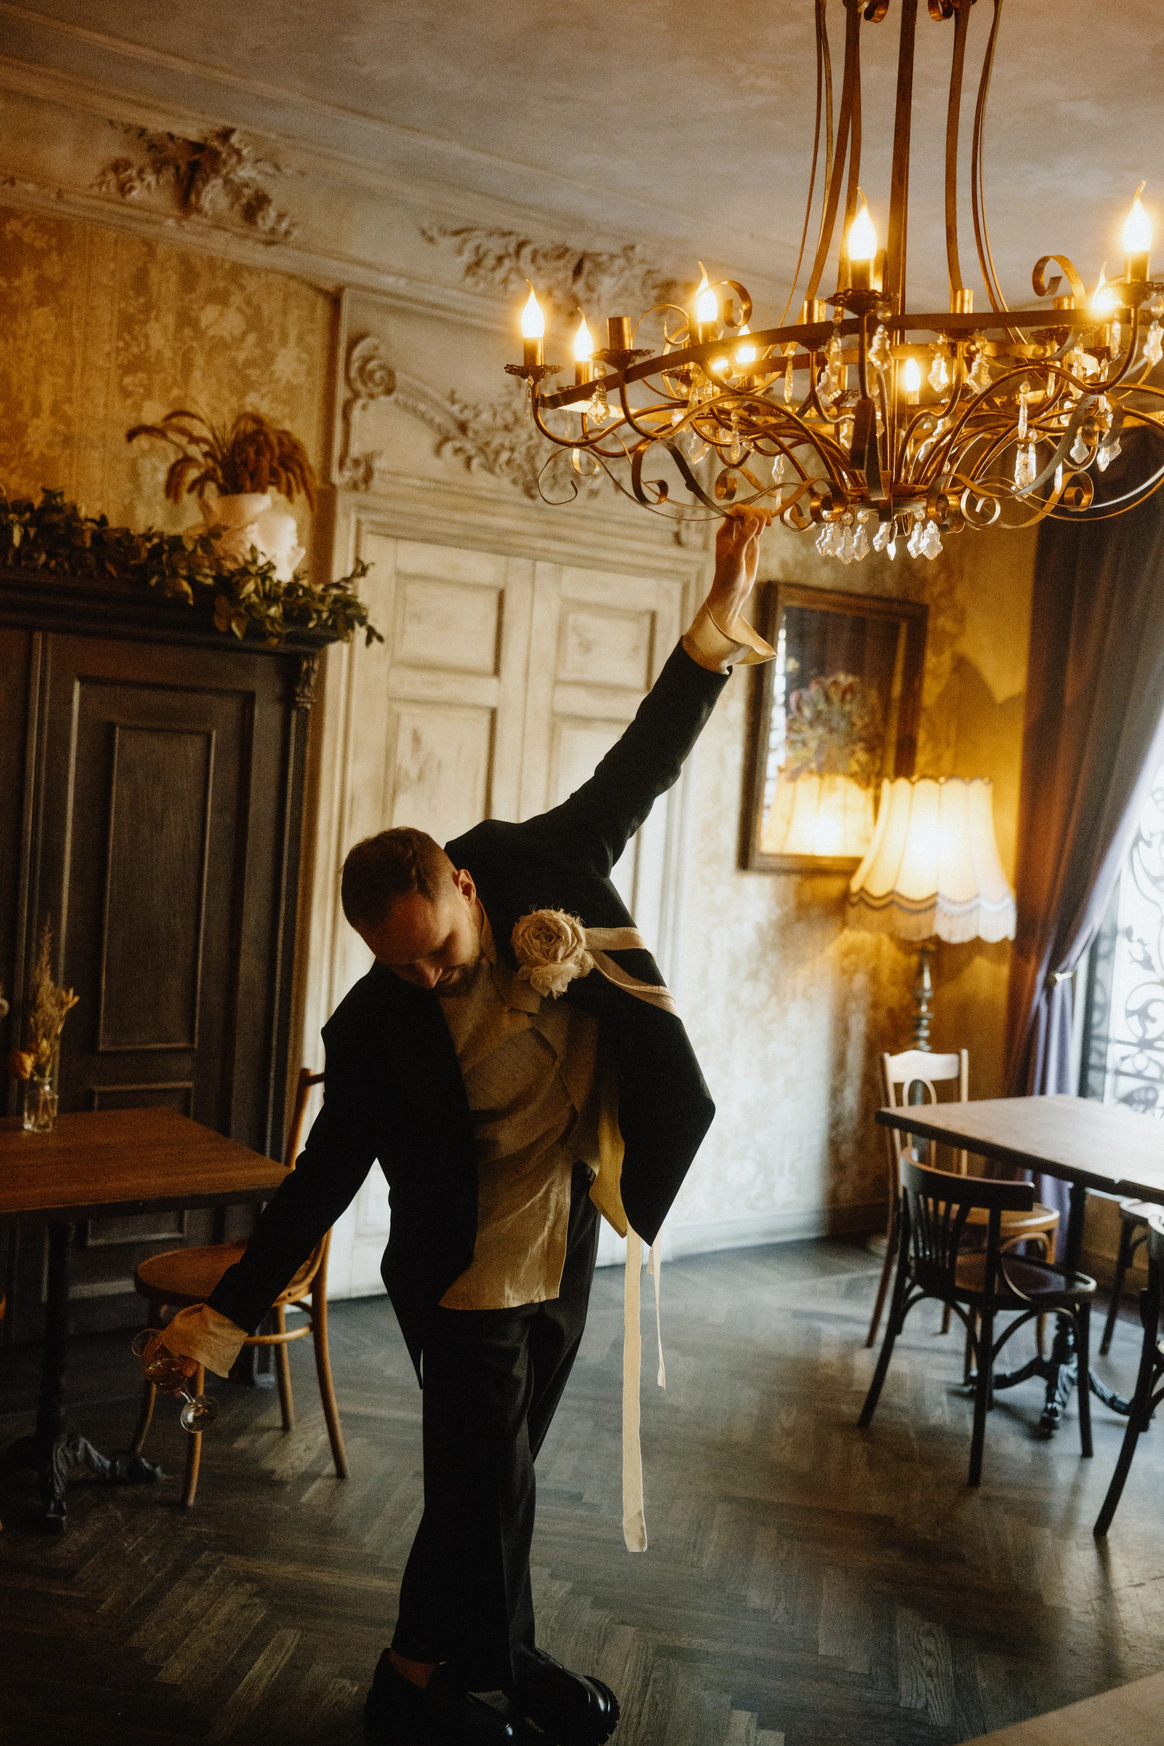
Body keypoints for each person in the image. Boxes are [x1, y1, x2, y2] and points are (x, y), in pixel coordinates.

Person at [146, 505, 775, 1746]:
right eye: (399, 965)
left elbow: (643, 760)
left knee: (496, 1482)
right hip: (461, 1274)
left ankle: (423, 1675)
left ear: (467, 886)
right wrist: (227, 1313)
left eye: (435, 952)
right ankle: (471, 1682)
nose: (424, 979)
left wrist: (711, 630)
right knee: (484, 1485)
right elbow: (321, 1176)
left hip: (564, 1243)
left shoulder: (546, 862)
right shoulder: (375, 1026)